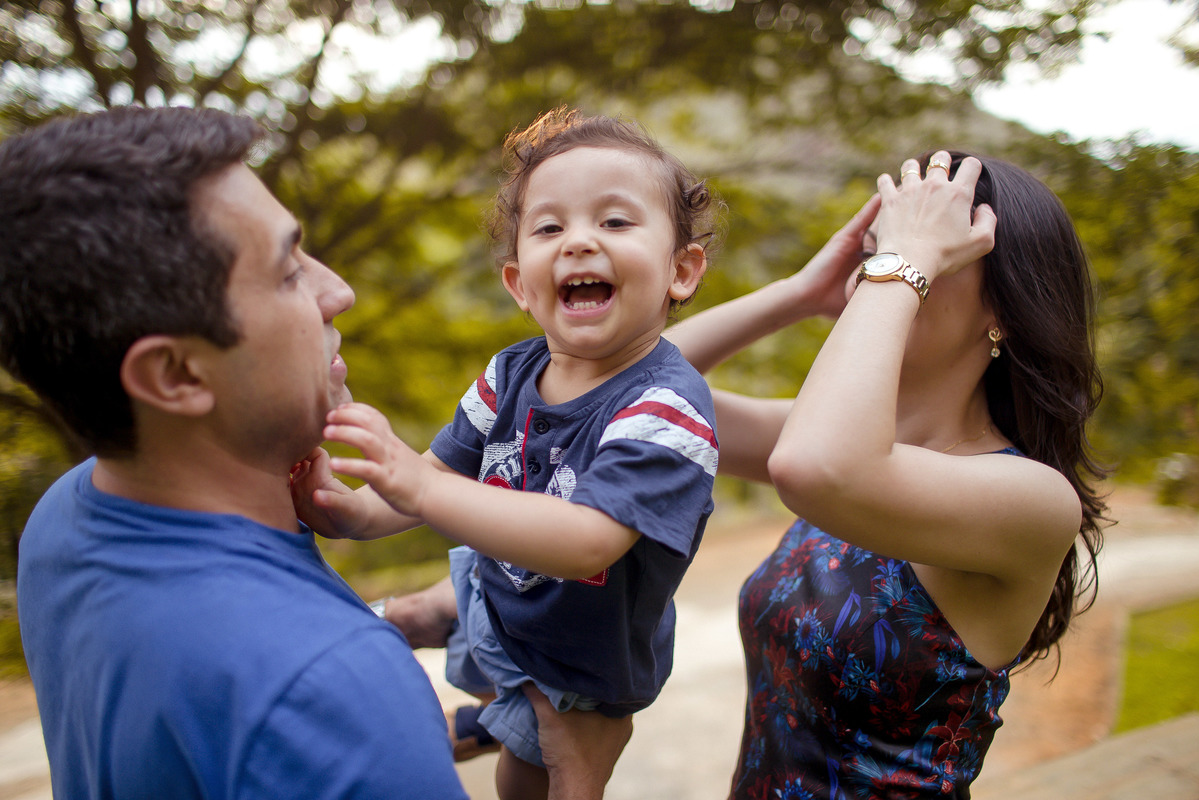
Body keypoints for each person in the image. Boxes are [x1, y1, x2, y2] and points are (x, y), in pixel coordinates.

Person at [2, 105, 626, 800]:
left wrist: (409, 644)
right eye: (288, 272)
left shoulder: (69, 517)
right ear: (175, 375)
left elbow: (252, 753)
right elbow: (323, 719)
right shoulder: (332, 685)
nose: (338, 291)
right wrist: (578, 777)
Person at [290, 107, 720, 799]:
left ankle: (476, 698)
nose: (578, 242)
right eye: (551, 227)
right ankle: (420, 622)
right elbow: (435, 474)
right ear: (522, 285)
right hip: (501, 587)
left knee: (527, 778)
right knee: (447, 595)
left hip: (576, 659)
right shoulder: (510, 373)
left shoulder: (667, 409)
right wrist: (352, 513)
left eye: (614, 222)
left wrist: (420, 491)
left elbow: (585, 543)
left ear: (682, 270)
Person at [665, 150, 1108, 799]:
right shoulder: (840, 443)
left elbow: (817, 468)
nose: (880, 270)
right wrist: (800, 294)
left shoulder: (1032, 498)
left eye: (929, 256)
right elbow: (636, 399)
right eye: (872, 253)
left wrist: (901, 264)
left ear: (1005, 314)